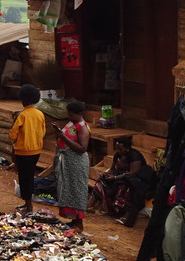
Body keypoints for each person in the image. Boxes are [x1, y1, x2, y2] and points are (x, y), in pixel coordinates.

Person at [89, 135, 155, 227]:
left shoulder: (134, 155)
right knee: (101, 181)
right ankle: (90, 204)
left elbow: (133, 173)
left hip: (135, 180)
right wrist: (106, 174)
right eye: (117, 149)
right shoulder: (118, 155)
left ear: (127, 148)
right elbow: (112, 169)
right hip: (119, 177)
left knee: (125, 187)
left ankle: (125, 215)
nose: (118, 152)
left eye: (120, 149)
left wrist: (115, 178)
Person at [52, 100, 91, 229]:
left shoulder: (82, 127)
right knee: (68, 189)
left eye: (72, 115)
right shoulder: (71, 123)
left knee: (77, 190)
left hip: (76, 163)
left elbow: (82, 148)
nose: (70, 117)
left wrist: (63, 137)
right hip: (67, 162)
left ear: (79, 113)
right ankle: (73, 220)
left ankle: (79, 222)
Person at [8, 84, 45, 214]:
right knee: (29, 176)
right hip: (36, 150)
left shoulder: (22, 115)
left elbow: (12, 135)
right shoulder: (40, 114)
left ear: (23, 99)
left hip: (23, 151)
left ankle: (28, 206)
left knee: (24, 178)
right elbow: (43, 131)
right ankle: (27, 204)